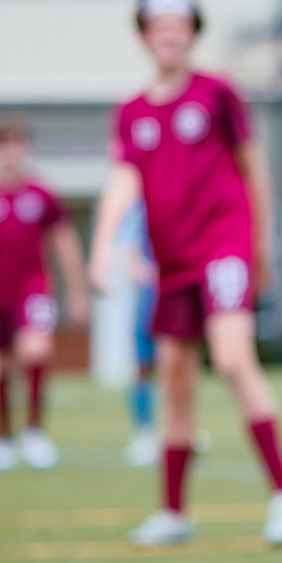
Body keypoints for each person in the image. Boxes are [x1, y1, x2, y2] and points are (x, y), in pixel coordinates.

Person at [88, 0, 282, 548]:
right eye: (159, 26)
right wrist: (103, 247)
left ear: (192, 33)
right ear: (144, 35)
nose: (170, 34)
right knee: (175, 379)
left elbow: (255, 172)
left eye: (180, 25)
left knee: (234, 359)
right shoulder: (132, 111)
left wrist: (263, 248)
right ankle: (173, 511)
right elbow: (123, 182)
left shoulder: (218, 93)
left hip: (223, 249)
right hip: (171, 263)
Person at [0, 119, 88, 470]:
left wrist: (77, 292)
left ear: (26, 148)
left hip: (34, 289)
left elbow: (64, 241)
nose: (9, 152)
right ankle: (3, 439)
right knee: (2, 366)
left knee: (36, 350)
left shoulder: (42, 195)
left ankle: (35, 434)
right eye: (2, 144)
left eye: (16, 143)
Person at [120, 200, 159, 467]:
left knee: (179, 364)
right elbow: (131, 255)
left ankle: (179, 431)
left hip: (180, 294)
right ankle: (143, 432)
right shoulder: (141, 210)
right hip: (152, 298)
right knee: (144, 366)